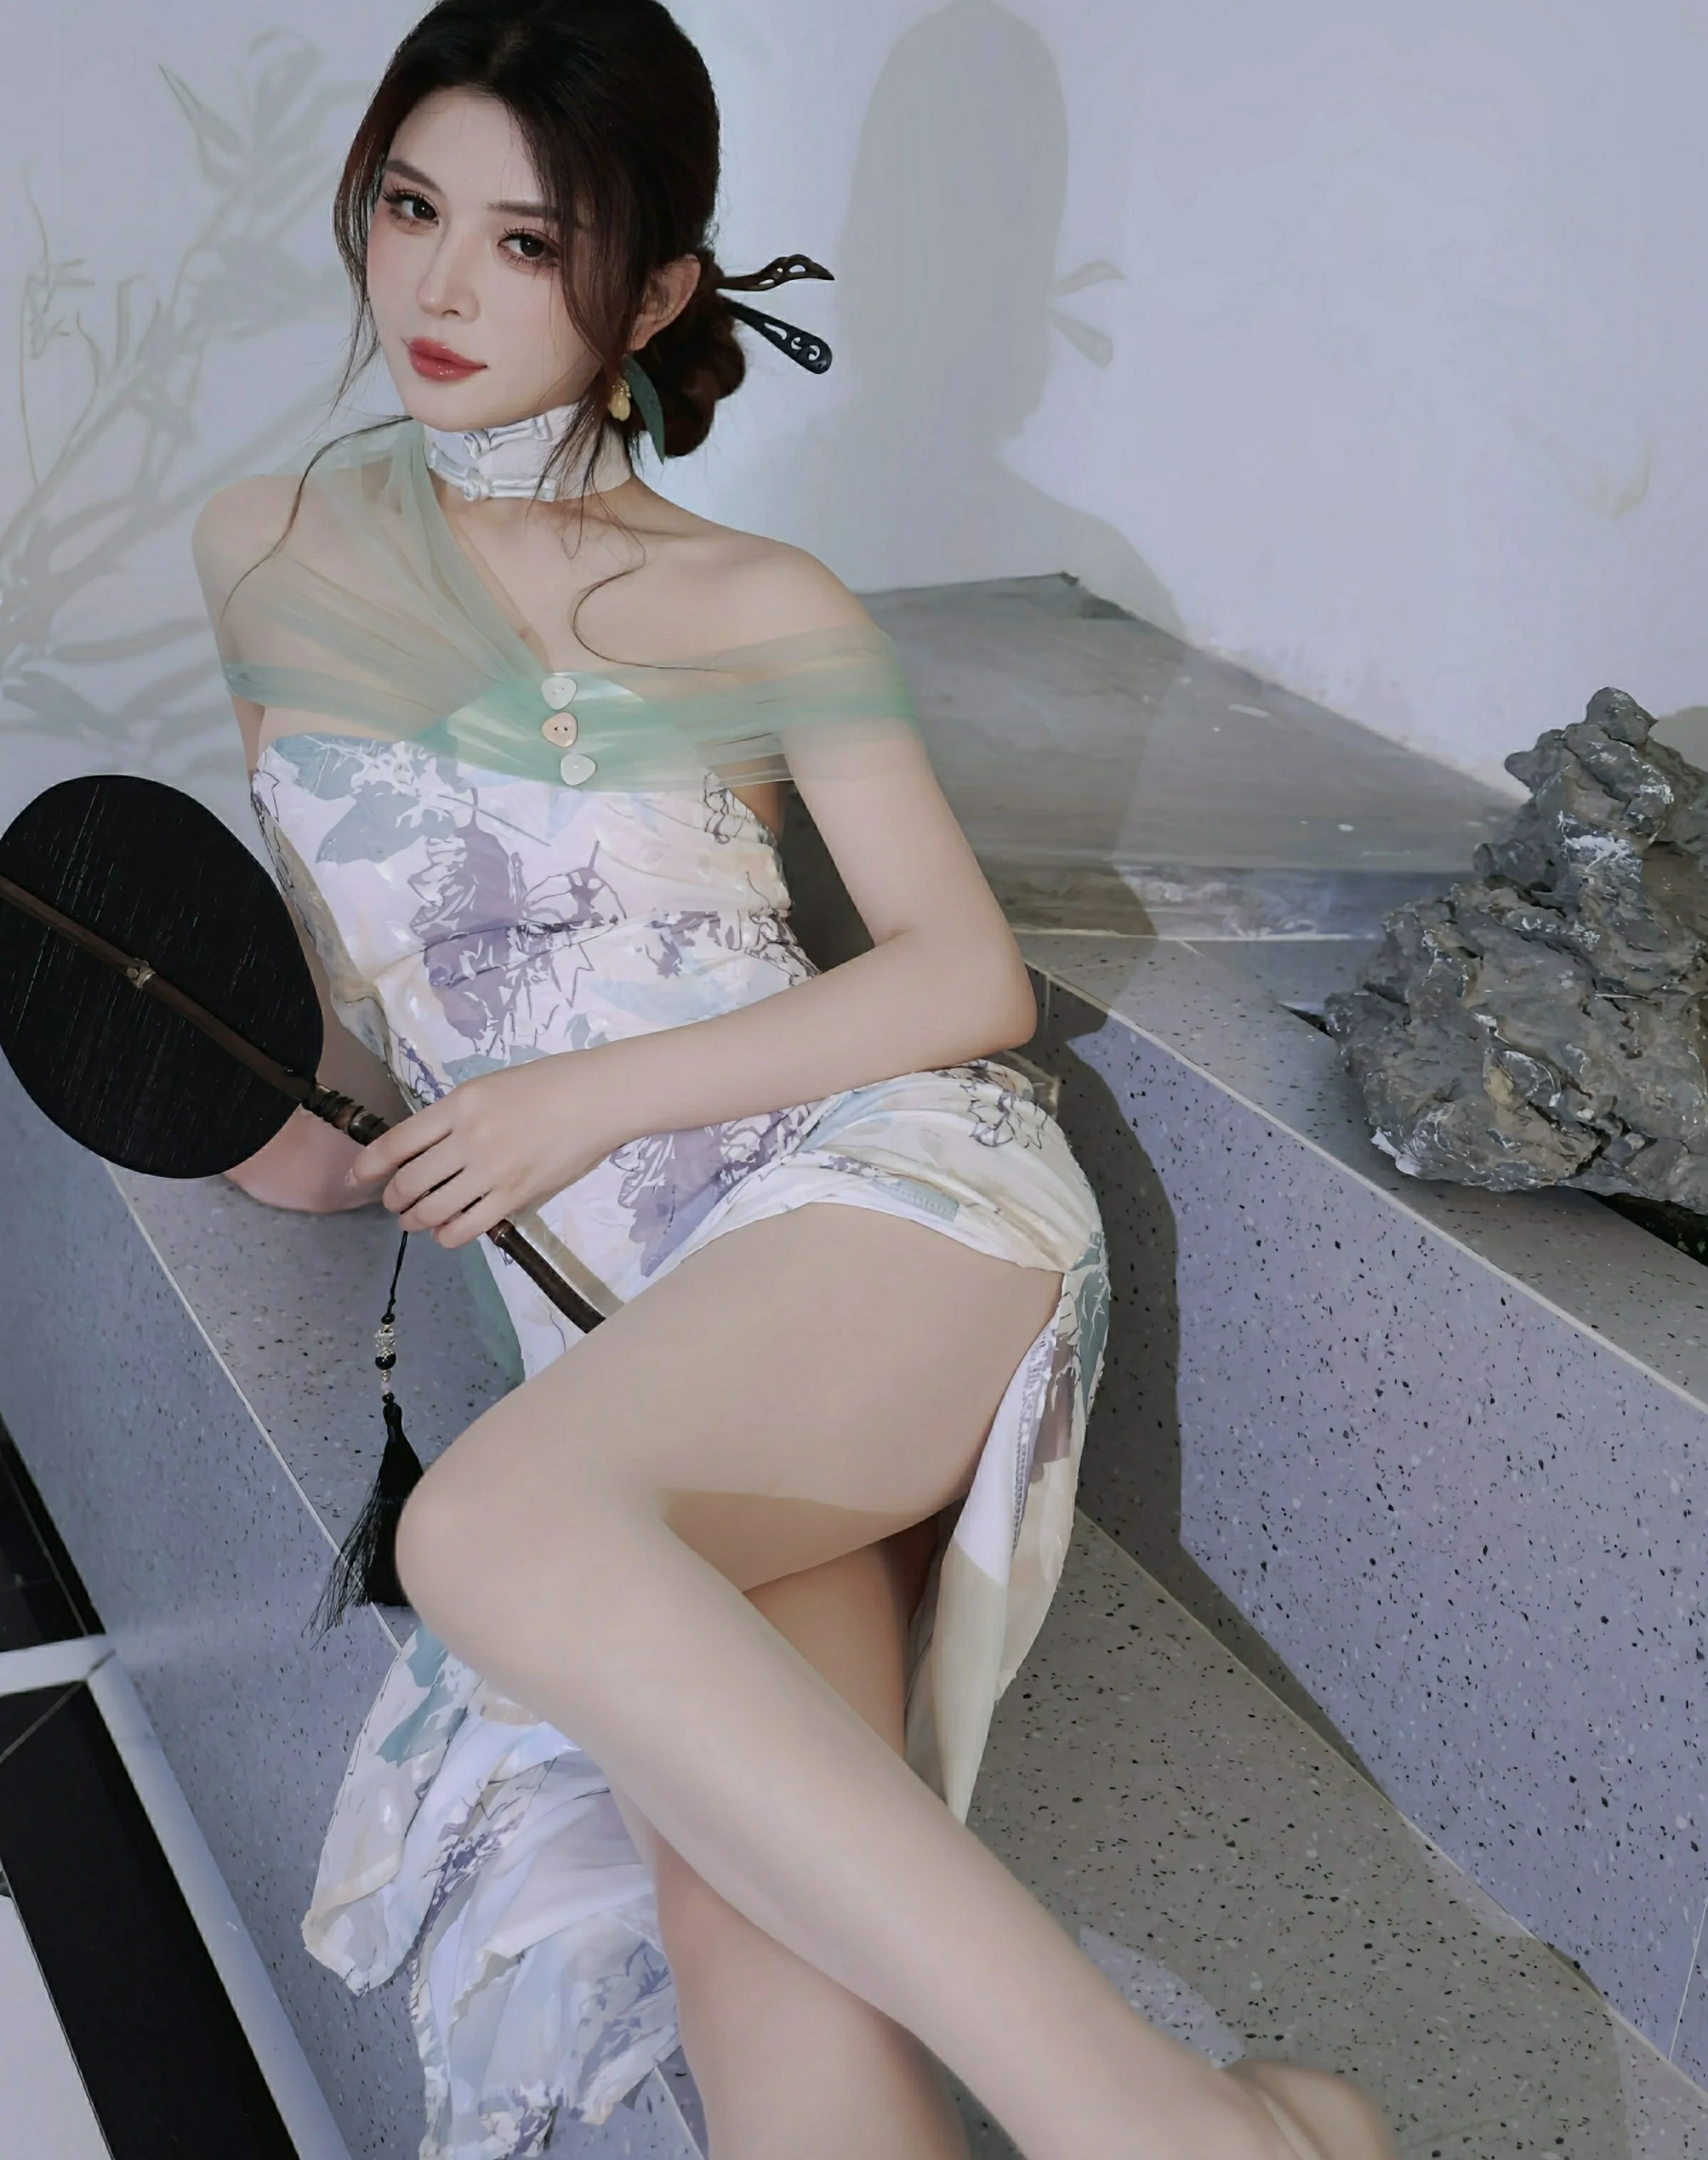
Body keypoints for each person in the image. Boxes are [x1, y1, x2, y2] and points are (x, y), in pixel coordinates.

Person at [192, 5, 1402, 2156]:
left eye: (528, 242)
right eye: (410, 208)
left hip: (874, 1201)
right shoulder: (264, 547)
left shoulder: (755, 596)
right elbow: (376, 979)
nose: (440, 287)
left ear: (656, 288)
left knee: (488, 1525)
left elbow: (962, 975)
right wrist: (295, 1122)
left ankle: (1178, 2136)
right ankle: (1282, 2131)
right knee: (767, 2005)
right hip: (633, 1322)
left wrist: (581, 1104)